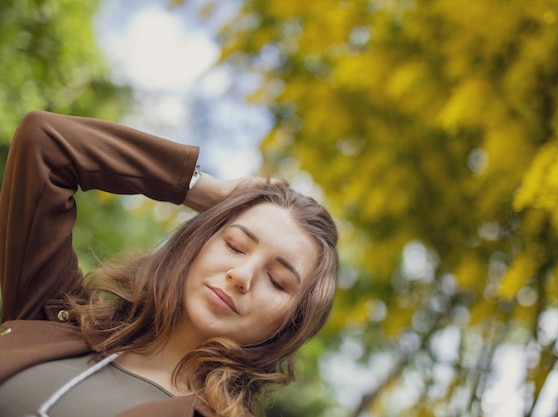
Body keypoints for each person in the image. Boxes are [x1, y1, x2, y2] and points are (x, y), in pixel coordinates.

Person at [0, 111, 339, 417]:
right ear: (199, 243)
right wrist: (201, 189)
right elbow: (45, 141)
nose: (242, 275)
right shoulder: (54, 316)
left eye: (278, 281)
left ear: (291, 322)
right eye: (235, 245)